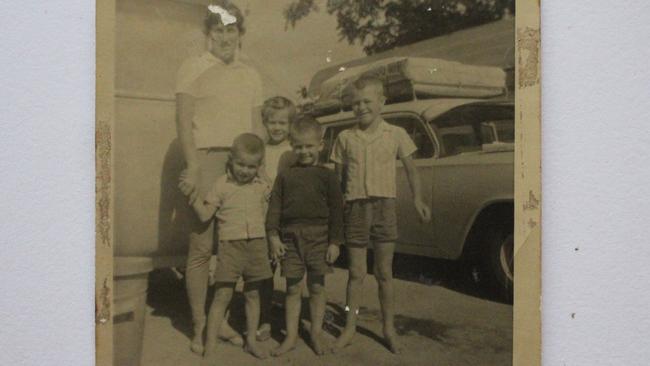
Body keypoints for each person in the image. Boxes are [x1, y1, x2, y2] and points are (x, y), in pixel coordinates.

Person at [174, 1, 263, 354]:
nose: (225, 37)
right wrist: (193, 166)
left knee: (230, 248)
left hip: (242, 161)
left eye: (231, 30)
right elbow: (183, 122)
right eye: (219, 30)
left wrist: (264, 172)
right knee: (200, 248)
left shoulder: (251, 74)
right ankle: (199, 326)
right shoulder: (191, 67)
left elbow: (256, 129)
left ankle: (220, 321)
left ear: (240, 34)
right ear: (208, 34)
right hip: (206, 160)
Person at [330, 76, 431, 354]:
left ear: (382, 103)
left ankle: (388, 328)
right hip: (355, 209)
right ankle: (350, 326)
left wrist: (419, 199)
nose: (361, 107)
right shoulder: (344, 138)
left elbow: (412, 169)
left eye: (367, 101)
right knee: (355, 273)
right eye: (356, 103)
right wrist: (336, 216)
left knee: (385, 273)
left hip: (385, 208)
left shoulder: (396, 134)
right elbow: (338, 182)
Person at [266, 116, 344, 356]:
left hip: (320, 237)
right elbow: (275, 209)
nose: (304, 151)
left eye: (309, 146)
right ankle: (290, 336)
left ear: (320, 145)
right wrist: (273, 236)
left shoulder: (328, 176)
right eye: (299, 146)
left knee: (317, 286)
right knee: (292, 288)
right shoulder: (285, 176)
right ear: (292, 145)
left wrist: (335, 242)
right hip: (290, 238)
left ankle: (316, 332)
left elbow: (337, 211)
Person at [191, 133, 273, 360]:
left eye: (251, 166)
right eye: (240, 164)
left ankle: (252, 342)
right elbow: (205, 214)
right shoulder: (222, 184)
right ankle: (211, 345)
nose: (245, 170)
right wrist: (192, 197)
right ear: (230, 160)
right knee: (222, 296)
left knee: (253, 295)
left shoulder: (263, 185)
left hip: (257, 245)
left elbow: (272, 209)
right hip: (231, 247)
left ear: (259, 166)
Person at [256, 96, 297, 342]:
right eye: (272, 122)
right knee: (264, 270)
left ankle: (294, 321)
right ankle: (264, 319)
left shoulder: (294, 151)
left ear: (291, 124)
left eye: (283, 123)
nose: (277, 127)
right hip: (263, 215)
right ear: (264, 123)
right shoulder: (260, 149)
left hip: (289, 216)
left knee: (292, 271)